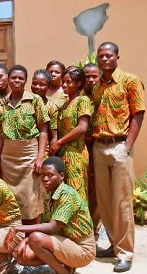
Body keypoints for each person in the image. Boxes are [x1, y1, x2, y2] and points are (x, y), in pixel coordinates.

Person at [92, 42, 145, 272]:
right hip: (98, 146)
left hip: (119, 146)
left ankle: (125, 252)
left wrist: (127, 145)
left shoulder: (130, 81)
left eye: (108, 55)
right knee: (105, 202)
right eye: (101, 56)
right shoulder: (96, 87)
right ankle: (113, 245)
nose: (104, 59)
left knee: (122, 203)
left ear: (117, 57)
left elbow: (138, 114)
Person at [9, 156, 95, 274]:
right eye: (43, 175)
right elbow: (46, 228)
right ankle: (67, 266)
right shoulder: (49, 194)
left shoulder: (67, 194)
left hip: (82, 248)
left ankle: (62, 272)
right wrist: (24, 241)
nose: (45, 178)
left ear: (62, 176)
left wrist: (18, 228)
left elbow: (52, 227)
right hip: (65, 242)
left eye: (50, 175)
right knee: (23, 256)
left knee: (35, 239)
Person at [0, 65, 50, 225]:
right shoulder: (2, 104)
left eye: (20, 78)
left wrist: (40, 157)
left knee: (31, 199)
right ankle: (16, 236)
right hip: (8, 157)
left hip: (29, 154)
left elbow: (44, 129)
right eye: (13, 78)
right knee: (11, 198)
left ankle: (33, 237)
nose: (16, 81)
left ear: (25, 81)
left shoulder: (35, 101)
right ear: (8, 80)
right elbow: (0, 134)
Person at [50, 66, 92, 200]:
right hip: (63, 154)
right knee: (65, 194)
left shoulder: (82, 100)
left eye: (69, 82)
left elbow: (82, 127)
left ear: (79, 83)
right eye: (63, 81)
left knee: (77, 192)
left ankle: (80, 221)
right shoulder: (64, 104)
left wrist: (59, 142)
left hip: (76, 153)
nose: (64, 85)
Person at [82, 63, 101, 239]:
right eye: (87, 76)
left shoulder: (102, 96)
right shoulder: (78, 96)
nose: (90, 80)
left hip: (98, 147)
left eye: (94, 76)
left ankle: (94, 229)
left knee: (96, 190)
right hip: (81, 148)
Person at [31, 69, 59, 155]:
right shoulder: (25, 102)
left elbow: (54, 135)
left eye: (42, 84)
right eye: (34, 83)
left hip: (43, 151)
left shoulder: (51, 107)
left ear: (48, 86)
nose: (37, 87)